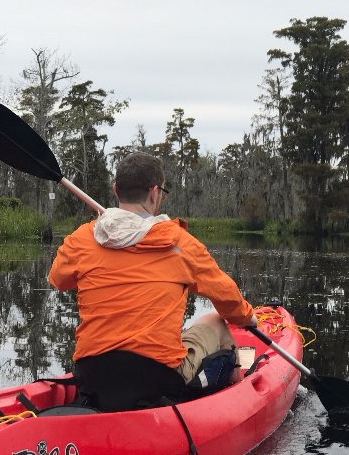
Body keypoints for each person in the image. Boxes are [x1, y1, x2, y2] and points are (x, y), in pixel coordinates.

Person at [48, 151, 257, 412]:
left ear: (116, 190)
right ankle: (236, 390)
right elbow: (228, 299)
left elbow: (58, 279)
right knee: (214, 320)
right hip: (157, 381)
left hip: (93, 377)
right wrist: (249, 318)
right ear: (155, 192)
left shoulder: (83, 238)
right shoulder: (181, 243)